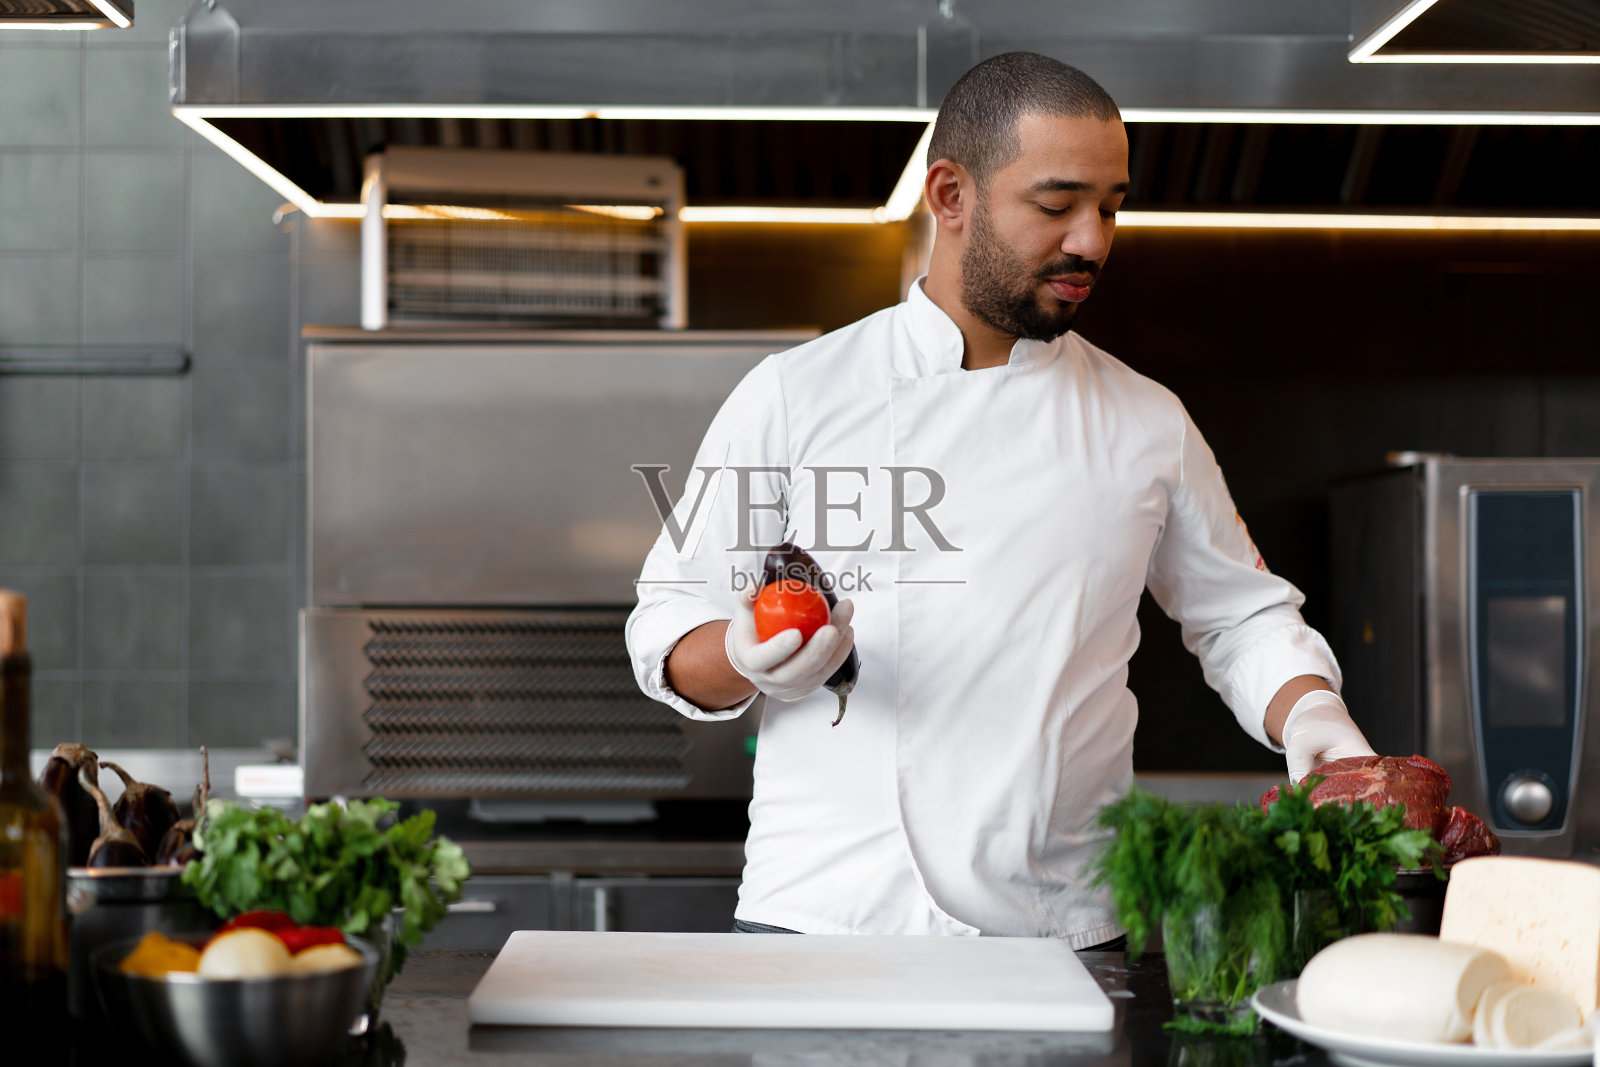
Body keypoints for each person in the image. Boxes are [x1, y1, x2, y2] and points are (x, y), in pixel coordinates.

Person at [625, 52, 1374, 946]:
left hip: (1058, 926)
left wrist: (1312, 712)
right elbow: (668, 627)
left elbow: (1240, 617)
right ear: (950, 196)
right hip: (823, 919)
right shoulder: (795, 393)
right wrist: (747, 657)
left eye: (1110, 206)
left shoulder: (1146, 420)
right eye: (1057, 206)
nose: (1093, 240)